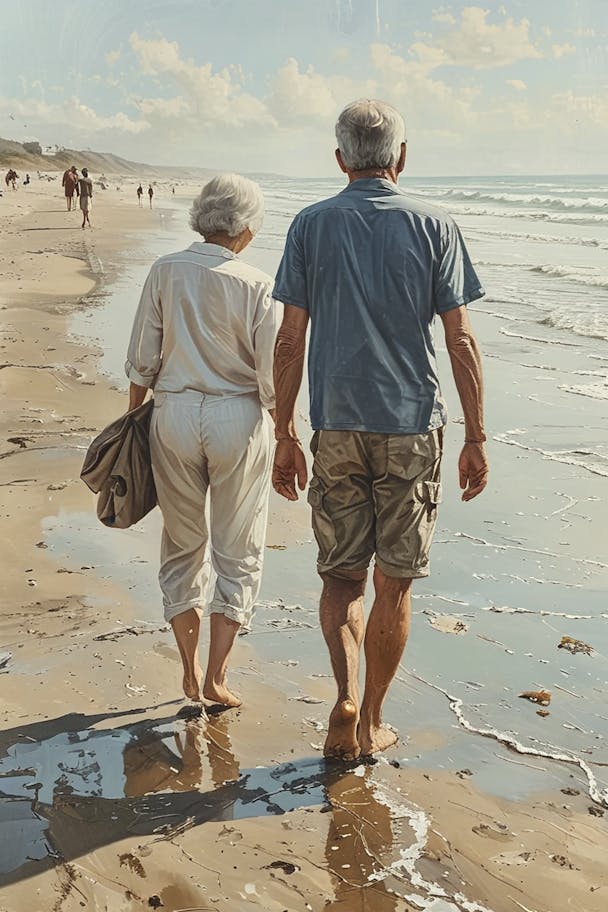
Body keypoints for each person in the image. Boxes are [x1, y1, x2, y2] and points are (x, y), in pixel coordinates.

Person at [272, 99, 488, 759]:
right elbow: (461, 341)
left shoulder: (310, 226)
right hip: (412, 426)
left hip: (335, 424)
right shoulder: (435, 226)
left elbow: (289, 338)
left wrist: (282, 430)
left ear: (340, 159)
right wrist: (476, 435)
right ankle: (368, 721)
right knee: (395, 581)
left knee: (341, 579)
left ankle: (341, 695)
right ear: (401, 157)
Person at [124, 174, 277, 708]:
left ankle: (188, 671)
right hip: (238, 415)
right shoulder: (258, 285)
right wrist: (290, 436)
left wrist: (134, 425)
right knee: (238, 548)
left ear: (200, 218)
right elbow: (271, 380)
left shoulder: (165, 269)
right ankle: (216, 678)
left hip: (174, 412)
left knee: (182, 544)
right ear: (248, 230)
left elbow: (143, 357)